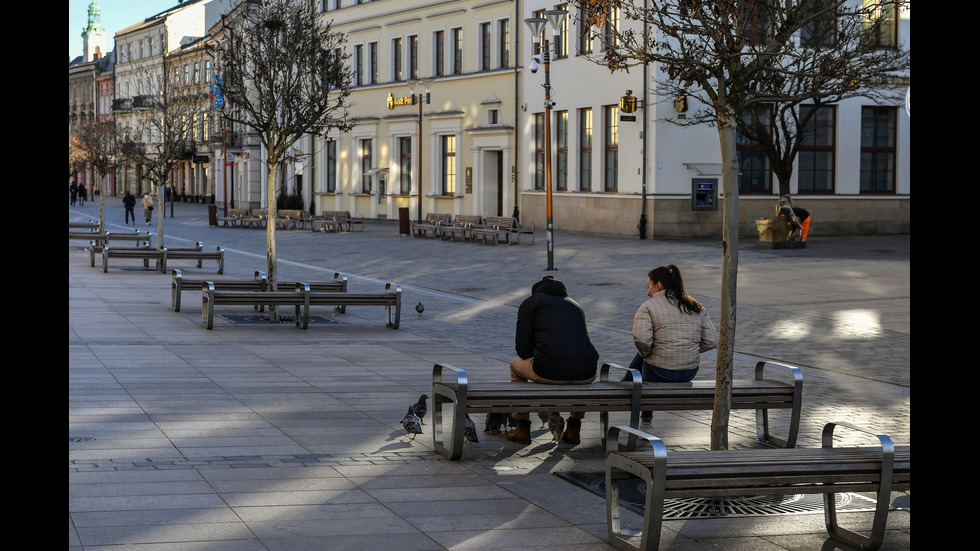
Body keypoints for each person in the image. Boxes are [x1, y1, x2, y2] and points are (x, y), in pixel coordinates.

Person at [508, 275, 600, 445]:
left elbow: (522, 350)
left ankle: (522, 426)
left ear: (537, 290)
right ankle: (574, 428)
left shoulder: (532, 302)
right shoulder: (575, 305)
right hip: (588, 371)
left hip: (548, 370)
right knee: (576, 373)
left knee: (515, 366)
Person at [629, 264, 717, 427]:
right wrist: (688, 348)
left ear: (659, 285)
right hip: (689, 372)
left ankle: (644, 420)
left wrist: (648, 353)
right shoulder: (695, 306)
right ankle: (624, 386)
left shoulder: (648, 306)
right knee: (646, 356)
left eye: (649, 287)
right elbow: (711, 340)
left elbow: (641, 340)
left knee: (643, 357)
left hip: (659, 372)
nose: (648, 292)